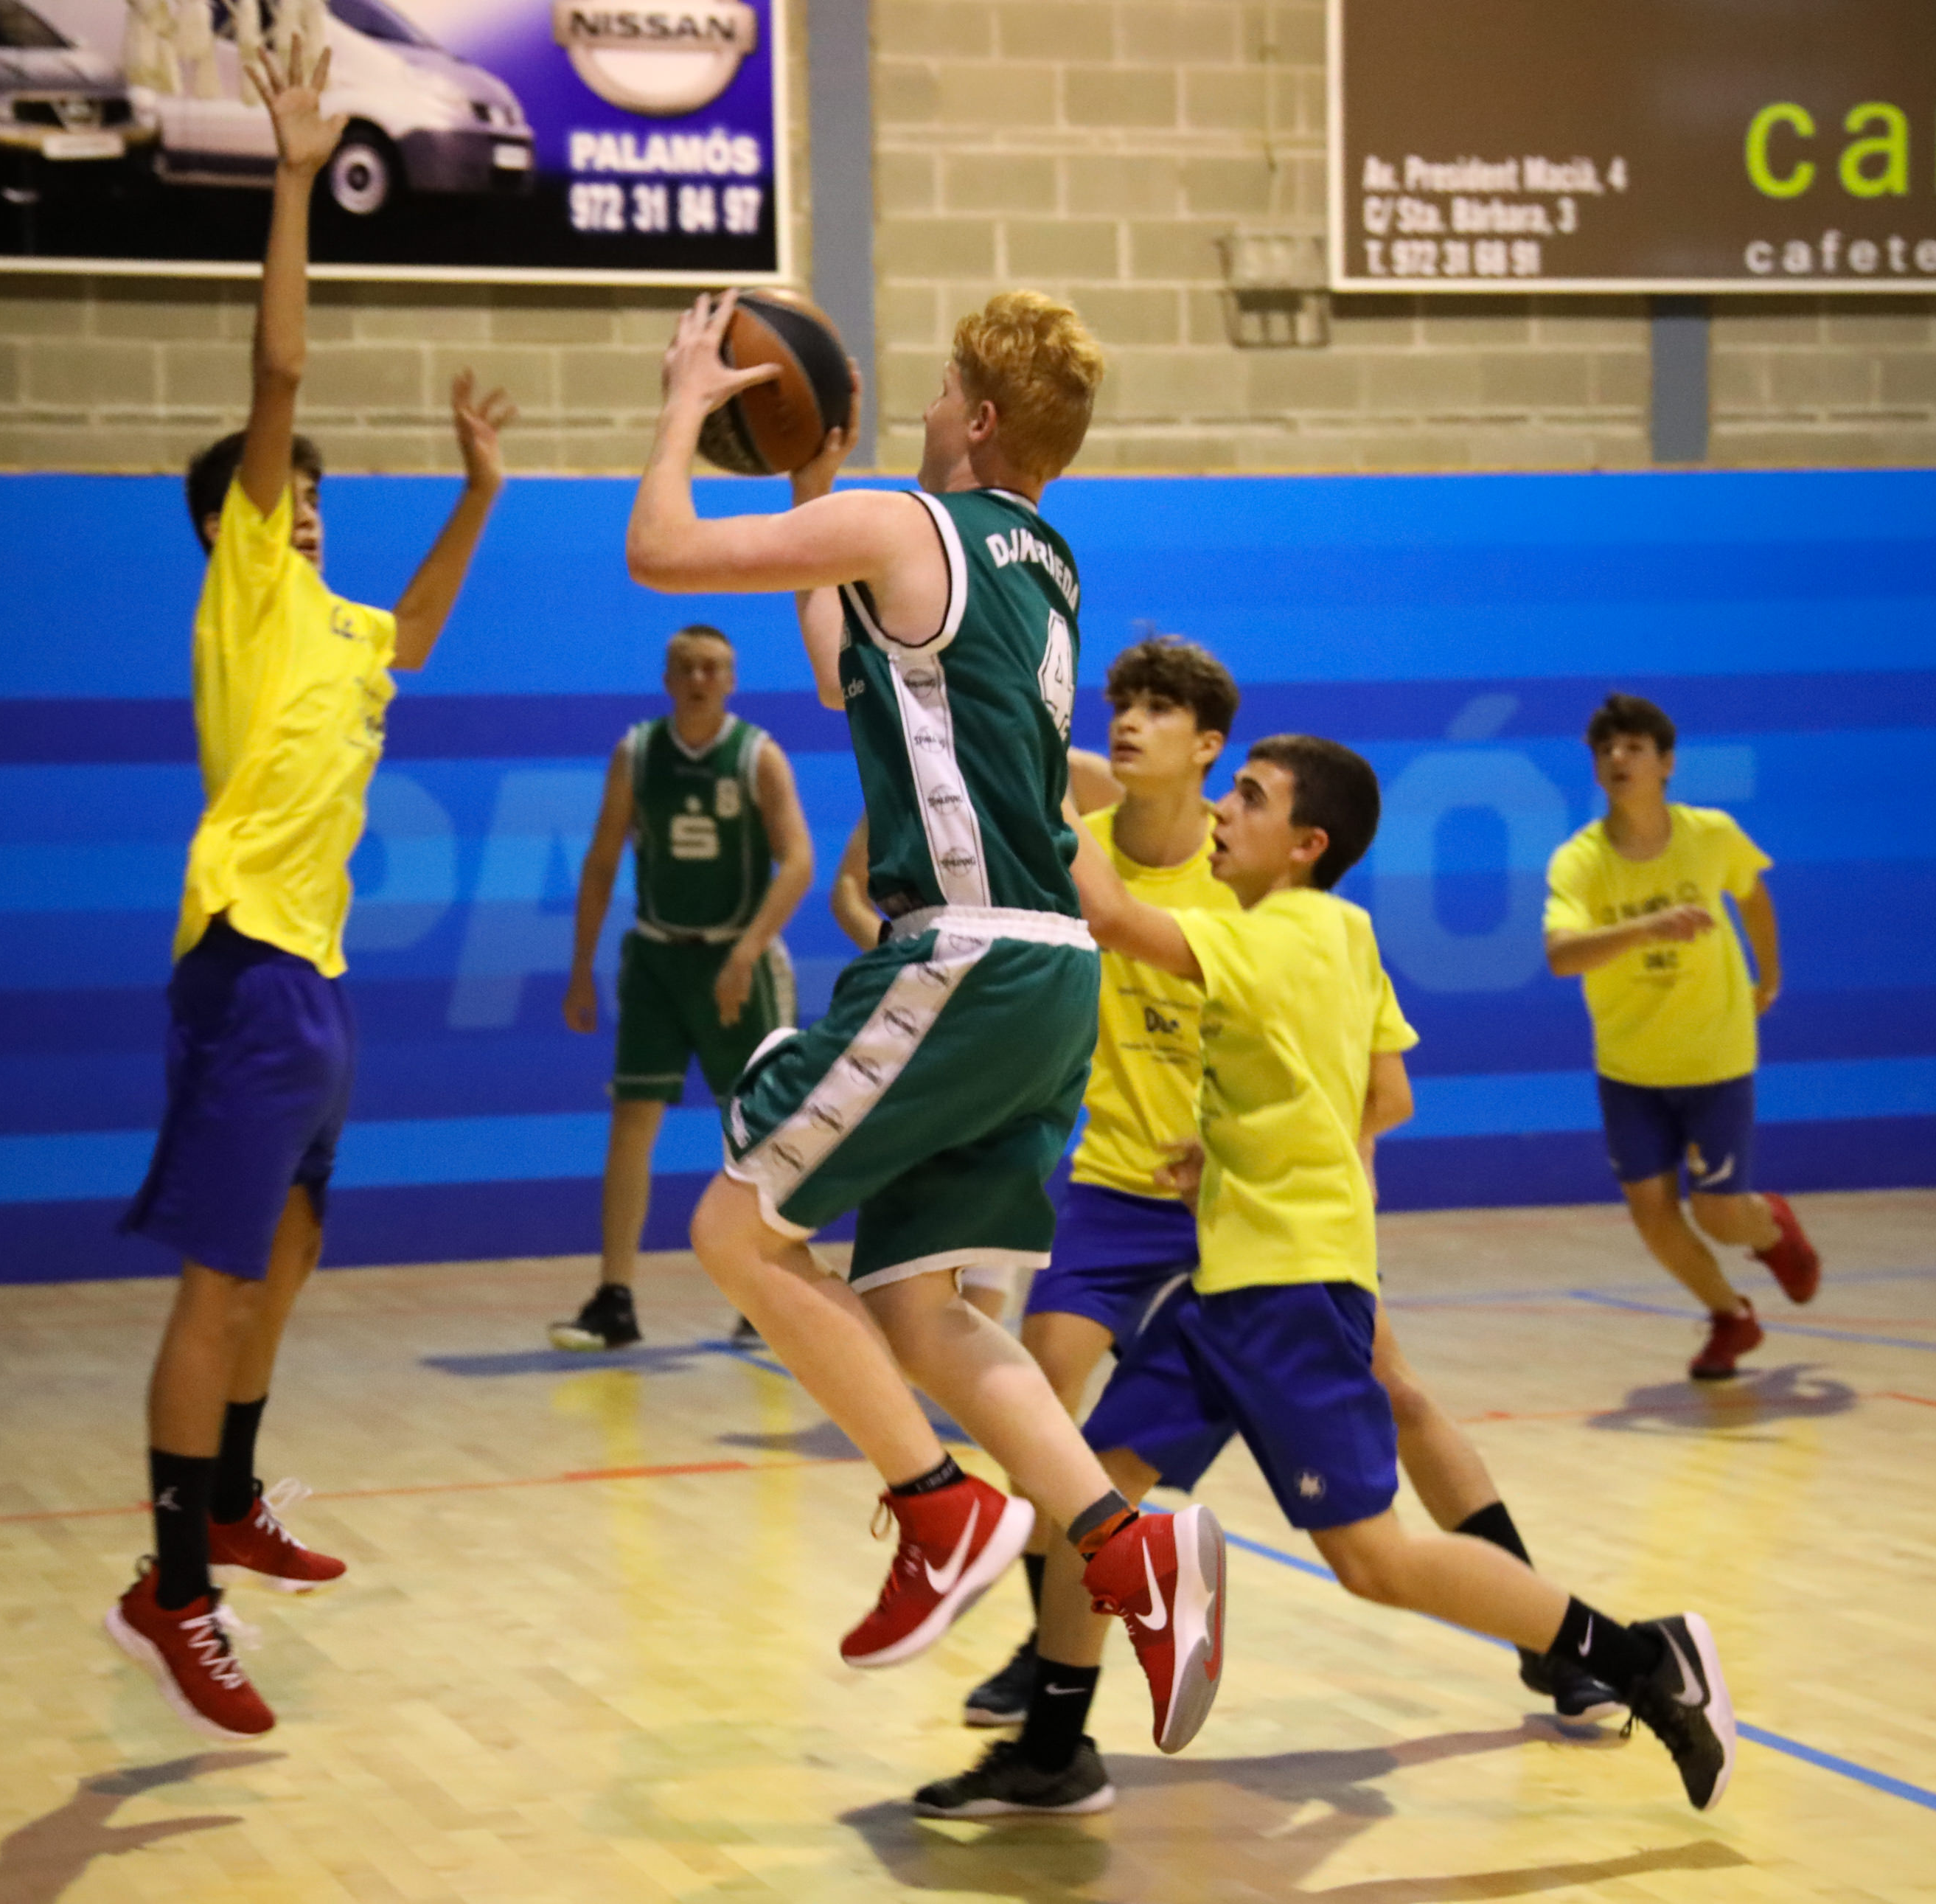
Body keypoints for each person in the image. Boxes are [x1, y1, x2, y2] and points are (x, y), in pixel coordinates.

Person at [625, 288, 1226, 1768]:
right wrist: (811, 477)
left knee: (731, 1230)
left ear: (978, 415)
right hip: (1048, 973)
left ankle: (935, 1506)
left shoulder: (910, 524)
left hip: (960, 953)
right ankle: (1125, 1544)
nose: (927, 401)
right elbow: (850, 662)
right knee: (919, 1308)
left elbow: (660, 551)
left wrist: (687, 403)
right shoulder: (1042, 563)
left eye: (946, 385)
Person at [958, 735, 1738, 1822]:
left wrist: (1025, 763)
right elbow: (1358, 1086)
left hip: (1285, 1292)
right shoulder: (1344, 932)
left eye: (1250, 798)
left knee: (1373, 1561)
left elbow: (1114, 915)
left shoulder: (1267, 936)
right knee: (1094, 1490)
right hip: (1235, 1280)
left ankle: (1641, 1657)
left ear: (1305, 844)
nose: (1224, 812)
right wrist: (1230, 1148)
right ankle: (1052, 1750)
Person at [104, 37, 515, 1743]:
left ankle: (232, 1498)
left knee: (288, 1250)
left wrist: (478, 495)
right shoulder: (249, 594)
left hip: (317, 976)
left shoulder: (340, 630)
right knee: (219, 1278)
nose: (312, 506)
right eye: (290, 492)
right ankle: (170, 1584)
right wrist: (290, 179)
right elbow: (277, 366)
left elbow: (410, 634)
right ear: (237, 525)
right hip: (249, 960)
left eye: (323, 494)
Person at [551, 625, 816, 1352]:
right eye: (687, 667)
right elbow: (602, 862)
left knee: (762, 1128)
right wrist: (580, 966)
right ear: (668, 678)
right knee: (631, 1119)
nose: (700, 678)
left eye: (713, 668)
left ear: (731, 680)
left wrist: (748, 950)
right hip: (658, 957)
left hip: (738, 958)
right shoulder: (637, 753)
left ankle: (769, 1289)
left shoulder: (757, 755)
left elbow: (798, 861)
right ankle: (614, 1297)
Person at [1543, 694, 1819, 1380]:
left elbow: (1751, 894)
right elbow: (1561, 955)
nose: (1618, 758)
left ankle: (1770, 1226)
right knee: (1651, 1213)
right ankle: (1730, 1316)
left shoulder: (1710, 835)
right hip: (1628, 1066)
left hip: (1713, 1055)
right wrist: (1644, 928)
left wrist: (1769, 976)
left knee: (1720, 1216)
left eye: (1634, 747)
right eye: (1606, 749)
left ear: (1665, 763)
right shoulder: (1578, 862)